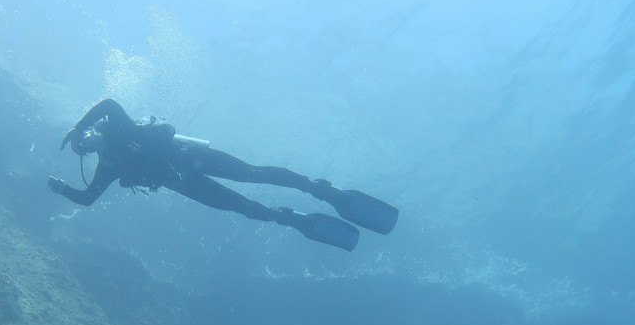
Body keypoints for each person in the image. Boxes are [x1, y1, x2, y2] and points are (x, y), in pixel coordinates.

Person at [47, 99, 397, 251]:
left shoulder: (118, 125)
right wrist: (62, 188)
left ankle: (321, 191)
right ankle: (289, 219)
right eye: (84, 147)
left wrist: (78, 126)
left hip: (192, 157)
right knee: (241, 207)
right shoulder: (108, 167)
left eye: (86, 139)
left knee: (251, 173)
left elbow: (107, 103)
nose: (87, 144)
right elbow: (88, 199)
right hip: (183, 182)